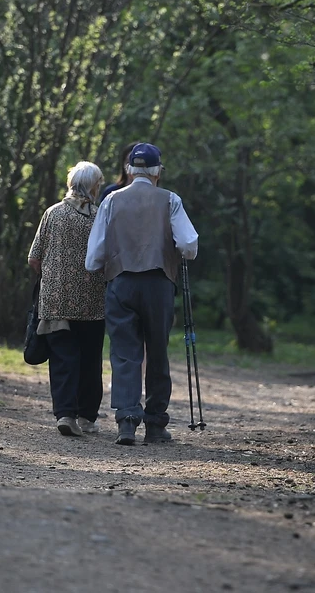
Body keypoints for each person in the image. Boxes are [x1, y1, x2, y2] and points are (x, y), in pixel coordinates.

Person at [85, 142, 198, 445]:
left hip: (120, 282)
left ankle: (126, 421)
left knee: (124, 354)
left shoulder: (111, 200)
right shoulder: (170, 200)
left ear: (129, 170)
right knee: (157, 352)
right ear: (158, 171)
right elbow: (189, 245)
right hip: (159, 284)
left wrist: (105, 266)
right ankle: (156, 423)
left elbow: (93, 256)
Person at [28, 161, 107, 437]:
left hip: (55, 302)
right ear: (94, 186)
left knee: (62, 359)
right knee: (89, 359)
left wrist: (54, 276)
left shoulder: (52, 213)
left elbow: (34, 257)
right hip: (93, 303)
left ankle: (65, 415)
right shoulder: (100, 217)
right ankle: (86, 416)